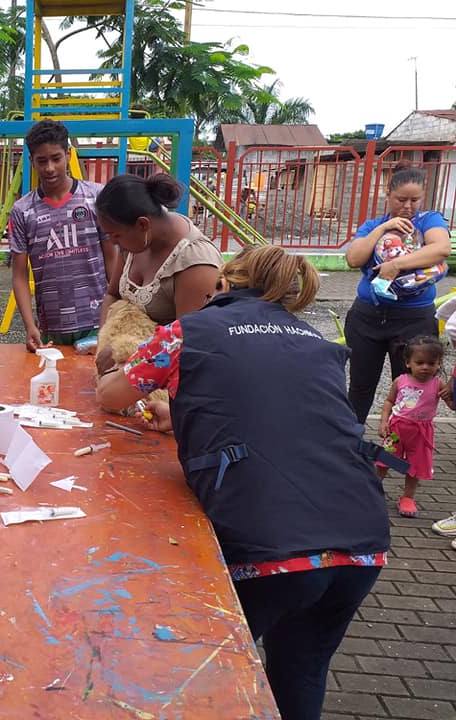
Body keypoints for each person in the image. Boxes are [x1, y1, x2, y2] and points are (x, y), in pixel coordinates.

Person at [96, 245, 395, 720]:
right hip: (362, 542)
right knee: (301, 672)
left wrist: (111, 363)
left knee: (198, 672)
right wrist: (184, 416)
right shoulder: (313, 338)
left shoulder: (187, 331)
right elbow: (284, 417)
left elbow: (111, 396)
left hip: (273, 549)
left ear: (223, 283)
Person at [343, 162, 451, 423]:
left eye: (415, 200)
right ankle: (350, 442)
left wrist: (396, 265)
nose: (408, 206)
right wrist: (383, 228)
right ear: (388, 194)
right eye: (401, 200)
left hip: (414, 321)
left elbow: (441, 249)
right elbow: (354, 258)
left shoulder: (428, 221)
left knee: (409, 388)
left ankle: (401, 442)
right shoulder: (373, 225)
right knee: (360, 387)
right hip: (367, 318)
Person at [10, 119, 117, 351]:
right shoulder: (22, 210)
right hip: (50, 328)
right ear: (31, 161)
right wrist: (30, 326)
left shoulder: (96, 198)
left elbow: (112, 259)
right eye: (41, 161)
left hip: (98, 322)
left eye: (56, 158)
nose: (49, 168)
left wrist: (118, 312)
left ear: (68, 155)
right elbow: (19, 275)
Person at [96, 172, 222, 327]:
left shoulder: (196, 263)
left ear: (142, 224)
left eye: (116, 235)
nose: (113, 242)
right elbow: (112, 295)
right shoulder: (134, 243)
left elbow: (189, 337)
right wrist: (105, 336)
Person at [376, 335, 450, 518]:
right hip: (396, 429)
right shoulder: (400, 381)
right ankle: (373, 488)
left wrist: (451, 394)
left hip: (422, 432)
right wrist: (384, 422)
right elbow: (389, 401)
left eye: (431, 363)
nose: (425, 367)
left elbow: (451, 405)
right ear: (408, 362)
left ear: (439, 364)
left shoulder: (438, 384)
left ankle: (408, 497)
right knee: (385, 460)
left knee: (416, 465)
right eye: (420, 362)